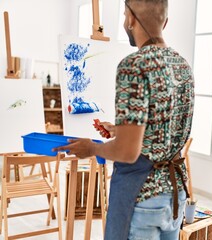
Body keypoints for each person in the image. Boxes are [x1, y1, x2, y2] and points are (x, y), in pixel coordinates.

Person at [53, 0, 195, 239]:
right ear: (165, 22)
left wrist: (92, 148)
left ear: (129, 19)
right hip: (175, 196)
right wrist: (121, 129)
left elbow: (128, 152)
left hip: (142, 198)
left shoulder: (134, 65)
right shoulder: (182, 65)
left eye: (123, 16)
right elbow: (163, 127)